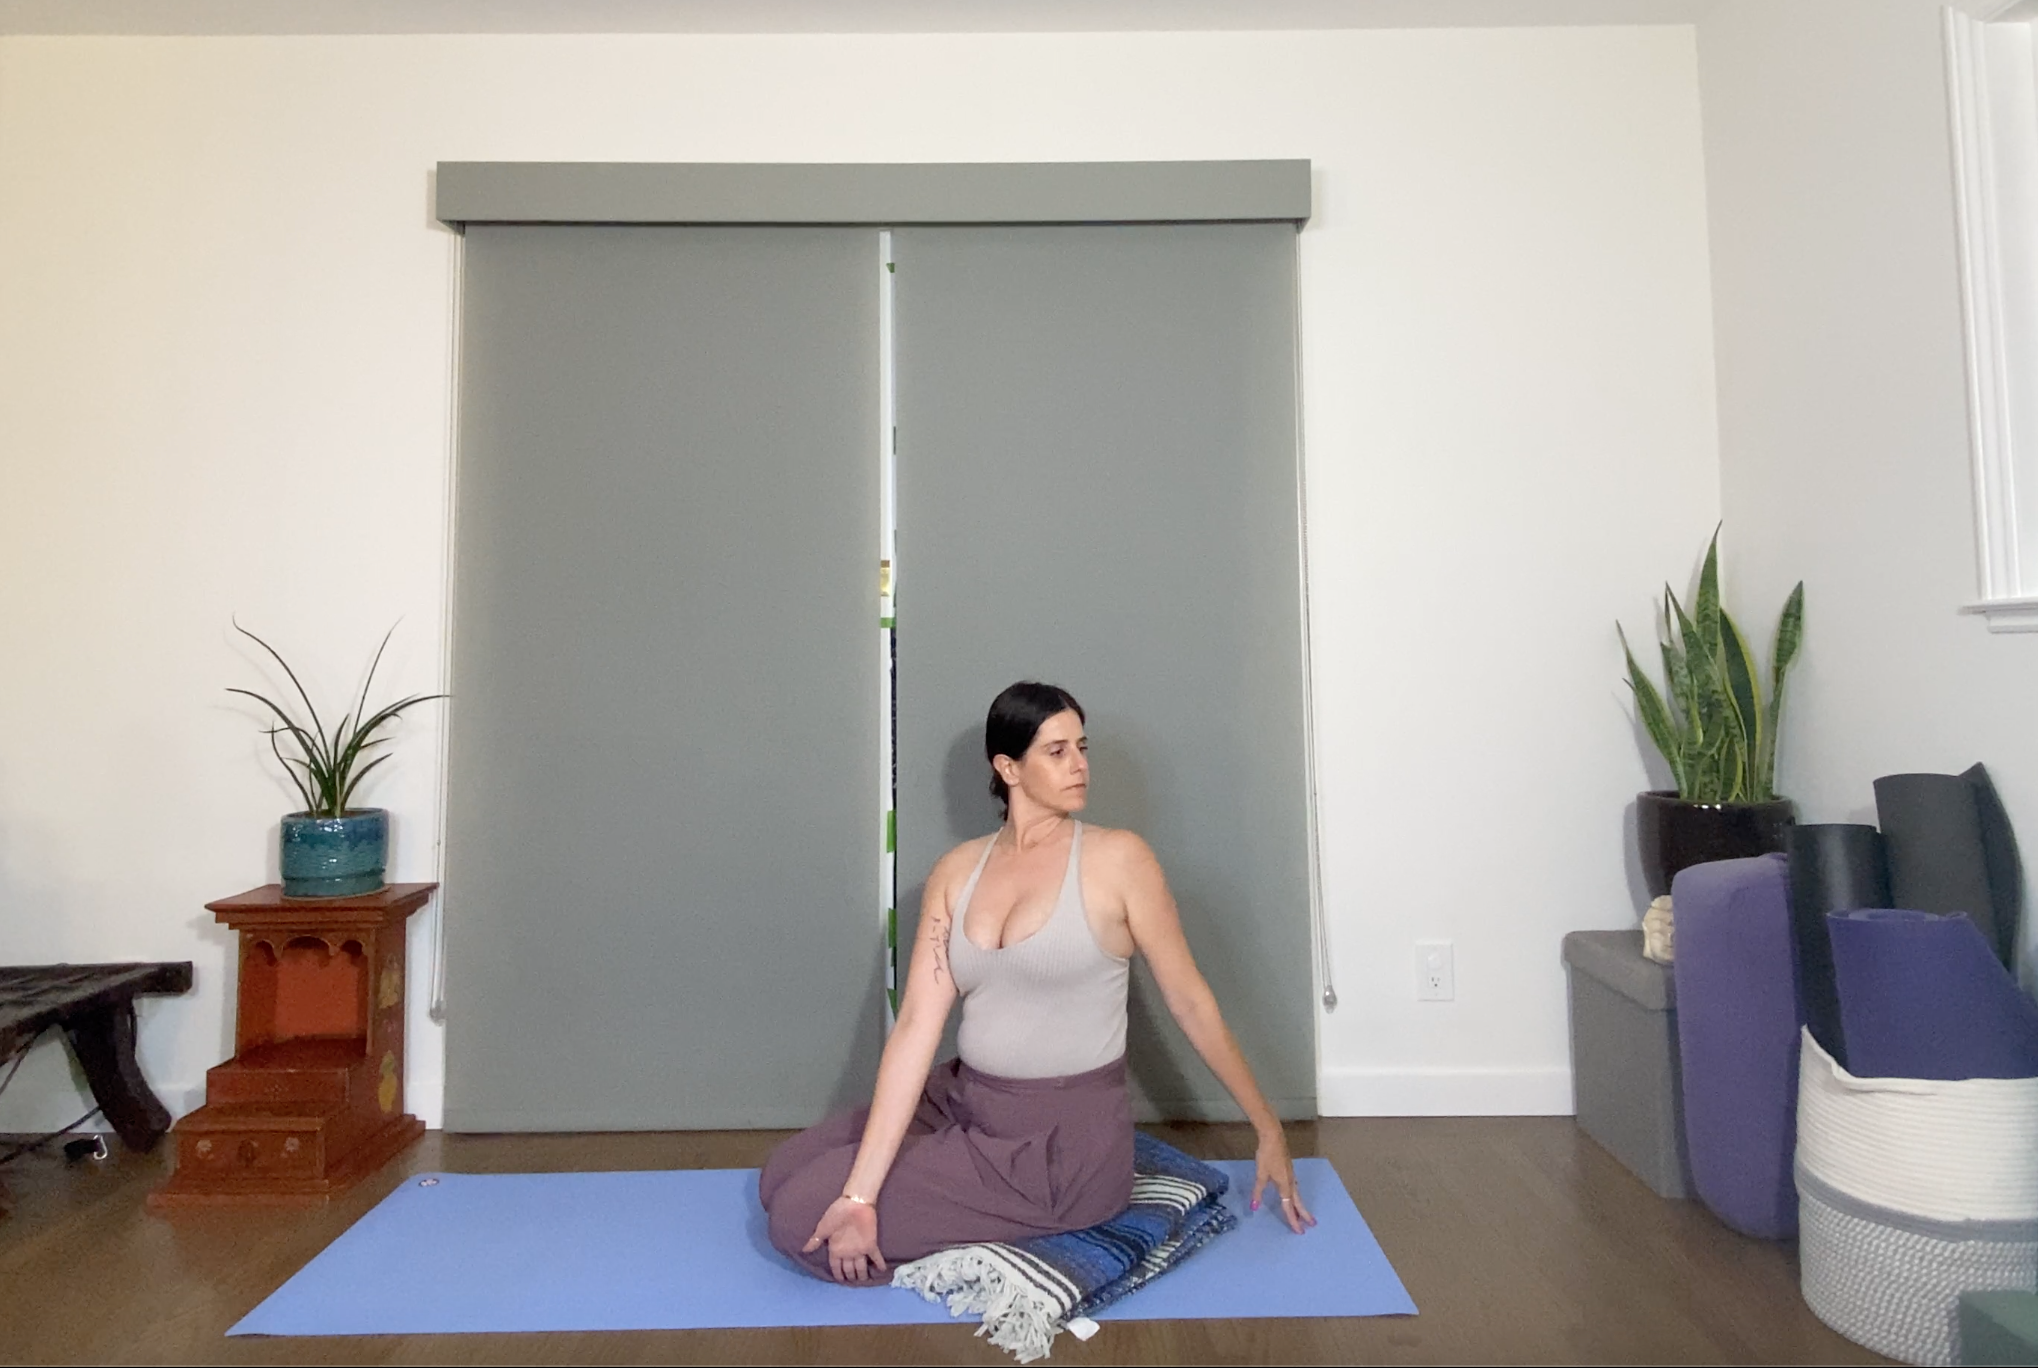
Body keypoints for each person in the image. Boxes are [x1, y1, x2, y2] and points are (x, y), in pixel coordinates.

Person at [759, 681, 1315, 1285]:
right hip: (968, 1099)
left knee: (799, 1216)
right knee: (783, 1171)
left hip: (1057, 1150)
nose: (1080, 765)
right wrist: (862, 1193)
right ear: (1009, 767)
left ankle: (977, 1228)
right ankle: (916, 1184)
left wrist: (1268, 1127)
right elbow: (919, 1024)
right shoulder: (957, 871)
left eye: (1081, 746)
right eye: (1056, 751)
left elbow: (1190, 1002)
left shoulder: (1119, 860)